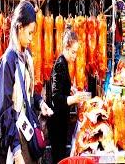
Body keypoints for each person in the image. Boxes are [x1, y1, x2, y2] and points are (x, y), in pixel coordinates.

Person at [0, 0, 53, 163]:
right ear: (19, 27)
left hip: (28, 134)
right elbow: (5, 111)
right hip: (15, 140)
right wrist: (16, 151)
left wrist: (41, 102)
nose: (31, 38)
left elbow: (28, 94)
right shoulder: (8, 61)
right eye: (30, 32)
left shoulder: (26, 57)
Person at [48, 25, 85, 163]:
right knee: (59, 158)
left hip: (62, 120)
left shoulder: (64, 63)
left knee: (62, 155)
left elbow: (61, 88)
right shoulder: (60, 65)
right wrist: (73, 98)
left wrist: (70, 90)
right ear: (67, 49)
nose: (76, 56)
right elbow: (56, 98)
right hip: (57, 122)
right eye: (74, 52)